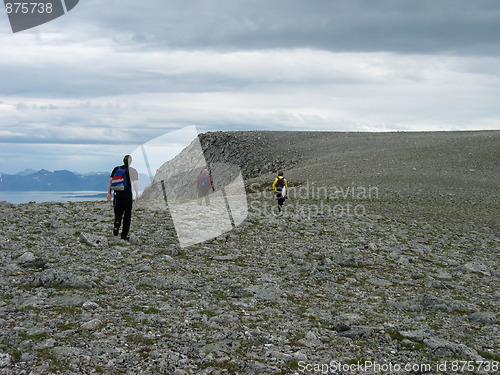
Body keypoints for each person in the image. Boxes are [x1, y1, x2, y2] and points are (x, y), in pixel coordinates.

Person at [107, 155, 139, 240]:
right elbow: (135, 183)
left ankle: (117, 224)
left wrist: (109, 193)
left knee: (118, 212)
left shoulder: (116, 169)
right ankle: (124, 235)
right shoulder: (133, 171)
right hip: (127, 195)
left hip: (117, 194)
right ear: (131, 161)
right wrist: (137, 194)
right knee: (127, 215)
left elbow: (110, 181)